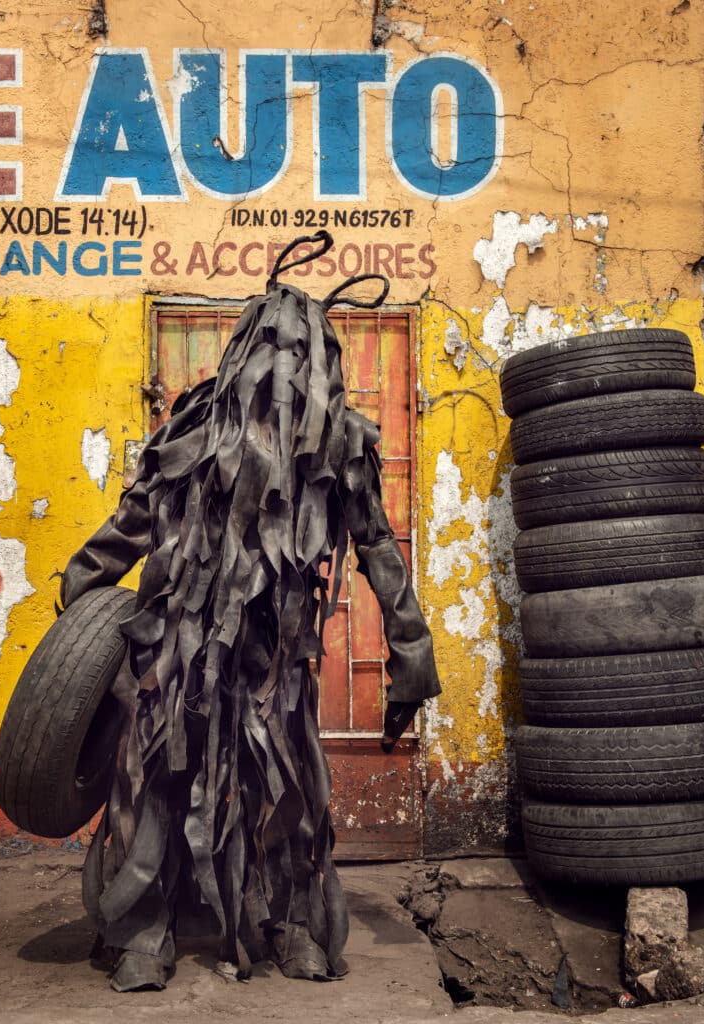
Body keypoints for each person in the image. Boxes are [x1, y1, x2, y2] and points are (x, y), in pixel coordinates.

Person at [59, 232, 440, 992]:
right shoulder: (303, 442)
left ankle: (169, 939)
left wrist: (81, 601)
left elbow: (124, 528)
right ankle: (265, 936)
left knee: (216, 782)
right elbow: (383, 556)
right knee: (244, 783)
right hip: (212, 652)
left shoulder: (226, 432)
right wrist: (409, 658)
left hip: (234, 657)